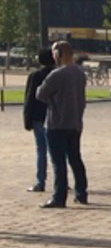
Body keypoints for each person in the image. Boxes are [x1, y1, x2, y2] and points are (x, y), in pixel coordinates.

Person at [35, 41, 89, 208]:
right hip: (75, 123)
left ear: (58, 54)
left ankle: (59, 197)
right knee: (75, 158)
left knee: (58, 163)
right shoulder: (80, 74)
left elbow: (40, 94)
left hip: (56, 124)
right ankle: (81, 192)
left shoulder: (56, 75)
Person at [22, 48, 55, 193]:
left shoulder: (35, 75)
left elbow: (29, 98)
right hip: (55, 116)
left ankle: (40, 181)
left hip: (38, 117)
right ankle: (60, 180)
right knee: (57, 152)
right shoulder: (57, 74)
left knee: (41, 151)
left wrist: (27, 118)